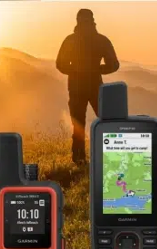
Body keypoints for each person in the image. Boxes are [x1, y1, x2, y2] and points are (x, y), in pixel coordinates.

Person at [56, 9, 119, 164]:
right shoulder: (101, 40)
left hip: (77, 87)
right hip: (95, 86)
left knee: (78, 124)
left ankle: (79, 159)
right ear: (93, 21)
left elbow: (60, 64)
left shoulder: (70, 40)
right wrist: (97, 69)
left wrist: (76, 70)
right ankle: (109, 156)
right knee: (105, 122)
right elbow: (114, 64)